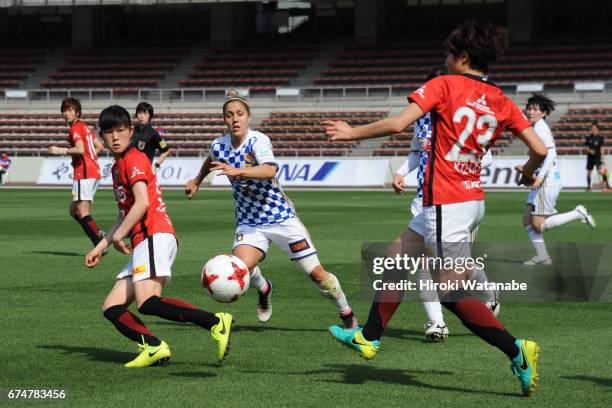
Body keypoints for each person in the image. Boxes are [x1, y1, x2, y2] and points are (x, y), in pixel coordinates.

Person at [324, 19, 548, 396]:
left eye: (448, 53)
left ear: (462, 56)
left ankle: (517, 350)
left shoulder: (443, 84)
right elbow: (539, 150)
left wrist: (351, 133)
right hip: (468, 200)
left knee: (449, 293)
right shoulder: (502, 100)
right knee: (395, 260)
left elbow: (399, 124)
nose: (444, 60)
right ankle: (369, 337)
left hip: (447, 202)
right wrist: (527, 171)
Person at [185, 91, 358, 329]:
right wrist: (196, 180)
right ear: (224, 120)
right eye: (229, 115)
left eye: (239, 114)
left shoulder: (258, 141)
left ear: (249, 117)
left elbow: (269, 170)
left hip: (280, 217)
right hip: (249, 222)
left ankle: (346, 313)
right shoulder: (219, 145)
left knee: (317, 274)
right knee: (241, 268)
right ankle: (264, 288)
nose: (234, 119)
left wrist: (238, 171)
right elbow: (211, 159)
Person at [85, 105, 232, 368]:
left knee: (147, 301)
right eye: (109, 132)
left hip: (154, 234)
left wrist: (121, 234)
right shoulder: (118, 167)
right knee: (112, 306)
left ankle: (215, 322)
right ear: (102, 137)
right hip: (145, 239)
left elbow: (141, 203)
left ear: (131, 131)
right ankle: (154, 347)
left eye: (120, 130)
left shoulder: (135, 158)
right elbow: (125, 212)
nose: (115, 137)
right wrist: (103, 244)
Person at [392, 67, 499, 341]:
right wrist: (402, 172)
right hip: (424, 201)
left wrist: (459, 164)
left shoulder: (459, 119)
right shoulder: (421, 120)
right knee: (423, 264)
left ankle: (490, 297)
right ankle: (436, 323)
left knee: (454, 271)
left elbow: (486, 158)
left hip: (456, 200)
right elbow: (417, 151)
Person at [519, 94, 596, 266]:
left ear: (544, 113)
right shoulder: (535, 126)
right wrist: (527, 174)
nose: (530, 111)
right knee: (527, 221)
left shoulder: (540, 128)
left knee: (537, 225)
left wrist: (539, 176)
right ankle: (542, 256)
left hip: (547, 180)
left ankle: (577, 214)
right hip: (544, 178)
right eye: (529, 108)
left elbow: (551, 153)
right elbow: (537, 156)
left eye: (535, 109)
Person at [49, 97, 105, 248]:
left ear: (77, 112)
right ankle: (97, 233)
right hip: (93, 171)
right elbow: (99, 146)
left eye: (70, 110)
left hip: (84, 173)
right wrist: (91, 158)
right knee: (73, 210)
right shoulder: (85, 127)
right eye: (64, 110)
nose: (67, 113)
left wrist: (60, 150)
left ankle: (99, 242)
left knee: (82, 210)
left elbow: (80, 149)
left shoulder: (75, 128)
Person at [131, 102, 171, 172]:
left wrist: (156, 165)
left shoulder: (154, 134)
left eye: (145, 114)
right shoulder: (133, 130)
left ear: (150, 116)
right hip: (130, 168)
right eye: (140, 113)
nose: (142, 116)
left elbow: (166, 151)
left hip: (144, 171)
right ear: (136, 114)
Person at [585, 121, 609, 191]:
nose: (593, 129)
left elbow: (602, 148)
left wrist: (602, 157)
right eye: (592, 128)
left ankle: (607, 185)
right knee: (589, 172)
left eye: (594, 128)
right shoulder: (588, 138)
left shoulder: (600, 138)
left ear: (597, 129)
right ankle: (588, 187)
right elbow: (586, 148)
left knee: (600, 171)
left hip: (597, 157)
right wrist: (590, 151)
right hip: (590, 157)